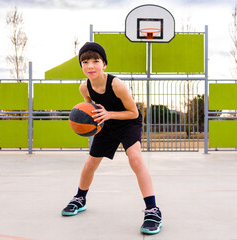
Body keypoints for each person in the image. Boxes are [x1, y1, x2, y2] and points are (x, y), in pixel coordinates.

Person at [61, 42, 162, 235]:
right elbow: (90, 110)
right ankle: (79, 198)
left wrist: (109, 115)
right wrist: (91, 123)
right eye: (85, 62)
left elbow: (133, 113)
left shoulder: (116, 85)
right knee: (90, 162)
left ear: (104, 64)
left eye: (95, 61)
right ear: (81, 66)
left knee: (135, 160)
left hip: (127, 122)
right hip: (105, 123)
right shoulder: (85, 88)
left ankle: (153, 211)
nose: (90, 66)